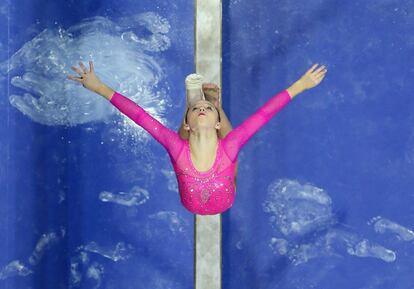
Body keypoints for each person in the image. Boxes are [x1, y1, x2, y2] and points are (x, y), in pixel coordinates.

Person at [67, 61, 327, 215]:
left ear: (214, 121)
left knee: (224, 153)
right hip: (211, 186)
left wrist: (302, 84)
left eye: (206, 108)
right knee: (222, 151)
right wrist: (98, 87)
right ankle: (208, 98)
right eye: (197, 109)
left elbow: (264, 114)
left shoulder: (223, 144)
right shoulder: (215, 144)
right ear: (189, 122)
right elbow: (139, 116)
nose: (202, 111)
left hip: (209, 189)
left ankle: (204, 98)